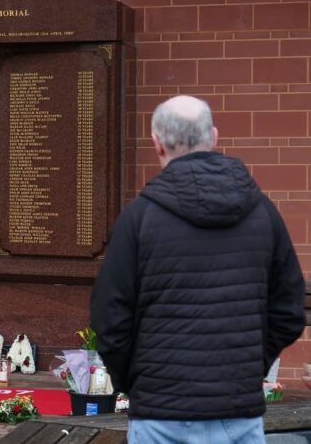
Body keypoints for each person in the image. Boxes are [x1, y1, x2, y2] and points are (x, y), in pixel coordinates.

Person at [90, 95, 306, 443]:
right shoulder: (263, 214)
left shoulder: (138, 218)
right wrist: (248, 368)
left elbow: (109, 319)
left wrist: (138, 381)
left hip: (160, 417)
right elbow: (289, 312)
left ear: (157, 143)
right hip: (238, 415)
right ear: (214, 136)